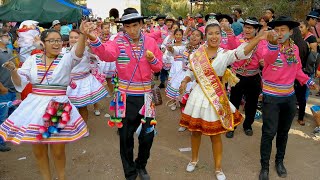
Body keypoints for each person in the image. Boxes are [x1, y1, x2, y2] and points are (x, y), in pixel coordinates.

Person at [179, 22, 268, 180]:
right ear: (205, 36)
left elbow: (242, 52)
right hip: (198, 96)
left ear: (221, 35)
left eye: (217, 33)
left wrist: (259, 38)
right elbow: (191, 72)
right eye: (210, 33)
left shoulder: (224, 54)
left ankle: (218, 168)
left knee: (216, 135)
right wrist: (185, 80)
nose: (214, 36)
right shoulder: (197, 54)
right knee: (195, 132)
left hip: (216, 97)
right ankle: (194, 159)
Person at [0, 26, 88, 180]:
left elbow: (78, 53)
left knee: (58, 150)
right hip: (34, 106)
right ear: (43, 43)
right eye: (51, 41)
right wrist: (14, 70)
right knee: (39, 150)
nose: (56, 44)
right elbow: (21, 82)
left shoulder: (67, 57)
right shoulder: (32, 59)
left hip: (58, 105)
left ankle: (62, 178)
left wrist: (83, 34)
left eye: (59, 40)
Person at [84, 8, 163, 180]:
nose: (132, 30)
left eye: (135, 25)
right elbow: (106, 54)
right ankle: (130, 172)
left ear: (141, 24)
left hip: (146, 96)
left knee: (147, 136)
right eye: (128, 26)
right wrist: (92, 38)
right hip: (124, 97)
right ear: (123, 27)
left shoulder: (150, 42)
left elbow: (158, 67)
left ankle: (141, 165)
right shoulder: (118, 41)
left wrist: (152, 60)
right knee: (125, 138)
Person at [259, 16, 318, 180]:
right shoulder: (268, 45)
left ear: (291, 32)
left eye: (282, 30)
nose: (279, 33)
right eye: (276, 30)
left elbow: (297, 70)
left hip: (289, 98)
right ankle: (264, 166)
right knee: (269, 133)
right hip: (271, 98)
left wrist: (308, 80)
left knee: (283, 133)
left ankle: (279, 161)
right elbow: (268, 60)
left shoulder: (295, 49)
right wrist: (272, 44)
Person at [226, 17, 264, 138]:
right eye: (246, 27)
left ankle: (248, 125)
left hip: (253, 77)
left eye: (250, 28)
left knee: (252, 103)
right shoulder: (237, 39)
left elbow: (264, 58)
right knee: (234, 102)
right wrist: (229, 33)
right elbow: (231, 50)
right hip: (237, 76)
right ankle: (232, 126)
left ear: (256, 30)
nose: (247, 30)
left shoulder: (261, 42)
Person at [66, 29, 108, 128]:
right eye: (71, 37)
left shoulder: (86, 50)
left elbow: (96, 53)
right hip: (68, 83)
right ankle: (72, 126)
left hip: (82, 82)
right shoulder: (64, 50)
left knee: (82, 106)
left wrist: (89, 43)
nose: (73, 39)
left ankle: (83, 127)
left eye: (76, 37)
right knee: (69, 107)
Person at [296, 21, 318, 125]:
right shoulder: (295, 42)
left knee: (301, 96)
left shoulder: (306, 42)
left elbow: (312, 57)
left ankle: (301, 116)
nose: (299, 29)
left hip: (302, 72)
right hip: (298, 73)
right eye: (298, 27)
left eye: (301, 27)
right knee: (298, 96)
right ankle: (299, 116)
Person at [0, 28, 15, 152]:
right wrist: (1, 87)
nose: (8, 37)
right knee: (1, 116)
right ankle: (0, 142)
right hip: (3, 89)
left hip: (11, 88)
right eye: (5, 35)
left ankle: (6, 136)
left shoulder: (9, 51)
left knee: (11, 114)